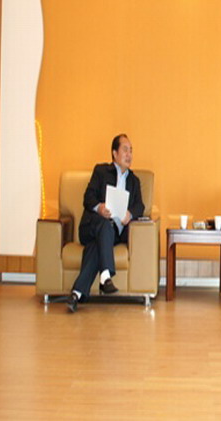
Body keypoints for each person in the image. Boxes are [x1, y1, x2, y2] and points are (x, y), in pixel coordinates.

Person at [67, 134, 144, 313]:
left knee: (96, 247)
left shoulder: (134, 181)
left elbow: (140, 205)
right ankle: (106, 274)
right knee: (104, 224)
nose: (129, 154)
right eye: (125, 150)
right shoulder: (101, 171)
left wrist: (130, 214)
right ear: (114, 153)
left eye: (131, 151)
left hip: (112, 234)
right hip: (92, 226)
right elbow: (88, 197)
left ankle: (77, 293)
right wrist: (99, 207)